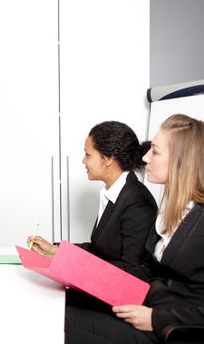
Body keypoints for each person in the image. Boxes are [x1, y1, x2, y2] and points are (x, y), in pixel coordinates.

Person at [65, 114, 204, 343]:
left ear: (182, 160)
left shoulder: (195, 220)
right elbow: (147, 271)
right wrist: (69, 265)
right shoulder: (174, 212)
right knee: (61, 310)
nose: (146, 157)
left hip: (168, 329)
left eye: (155, 152)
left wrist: (157, 318)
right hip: (144, 306)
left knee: (64, 322)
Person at [28, 121, 157, 276]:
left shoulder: (137, 202)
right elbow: (98, 251)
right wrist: (55, 250)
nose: (83, 161)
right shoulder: (114, 193)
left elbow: (132, 271)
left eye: (88, 155)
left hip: (115, 295)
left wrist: (68, 265)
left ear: (108, 158)